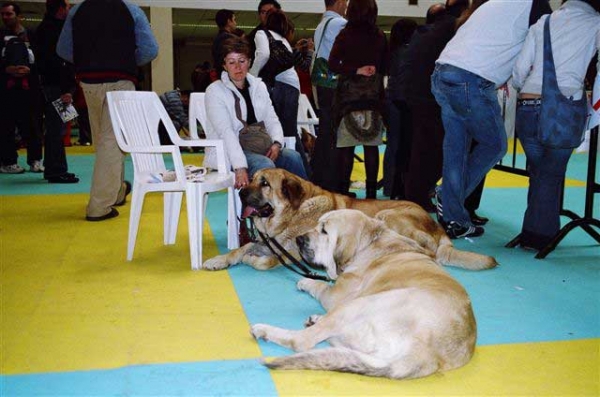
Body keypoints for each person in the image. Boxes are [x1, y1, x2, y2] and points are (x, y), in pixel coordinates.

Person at [430, 0, 548, 238]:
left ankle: (454, 218)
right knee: (495, 144)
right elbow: (544, 43)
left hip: (443, 73)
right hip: (470, 79)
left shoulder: (495, 4)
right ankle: (448, 196)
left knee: (456, 149)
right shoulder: (534, 5)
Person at [57, 0, 158, 221]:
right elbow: (150, 49)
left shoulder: (77, 10)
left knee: (104, 139)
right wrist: (128, 61)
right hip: (121, 80)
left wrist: (89, 60)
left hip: (89, 81)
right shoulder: (131, 10)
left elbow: (63, 50)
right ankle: (99, 206)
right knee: (112, 141)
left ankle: (118, 190)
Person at [511, 0, 600, 251]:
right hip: (563, 108)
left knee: (539, 173)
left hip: (527, 107)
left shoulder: (543, 22)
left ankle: (534, 230)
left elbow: (519, 69)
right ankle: (537, 237)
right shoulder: (595, 24)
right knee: (550, 175)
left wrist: (523, 86)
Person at [204, 36, 307, 189]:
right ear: (224, 65)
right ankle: (261, 211)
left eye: (242, 61)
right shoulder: (214, 91)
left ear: (250, 62)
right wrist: (239, 166)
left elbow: (271, 118)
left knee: (293, 157)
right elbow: (226, 132)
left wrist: (277, 143)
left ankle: (305, 204)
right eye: (232, 62)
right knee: (264, 165)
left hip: (259, 144)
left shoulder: (259, 86)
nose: (238, 67)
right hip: (229, 150)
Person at [395, 0, 468, 210]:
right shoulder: (454, 30)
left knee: (420, 149)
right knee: (444, 150)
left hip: (416, 96)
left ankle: (415, 195)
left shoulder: (425, 32)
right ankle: (445, 199)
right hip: (435, 97)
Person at [328, 0, 388, 199]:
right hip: (373, 98)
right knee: (371, 148)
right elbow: (386, 65)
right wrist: (372, 69)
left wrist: (355, 70)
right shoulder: (379, 35)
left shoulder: (345, 34)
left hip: (349, 100)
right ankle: (371, 194)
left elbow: (333, 64)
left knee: (347, 147)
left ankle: (344, 193)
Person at [250, 10, 311, 177]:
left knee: (276, 130)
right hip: (292, 85)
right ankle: (302, 176)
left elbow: (263, 54)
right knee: (290, 133)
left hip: (280, 86)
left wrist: (251, 76)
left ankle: (291, 176)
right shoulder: (283, 39)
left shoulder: (262, 33)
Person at [33, 0, 79, 184]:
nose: (69, 9)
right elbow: (58, 64)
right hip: (56, 87)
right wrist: (65, 89)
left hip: (53, 85)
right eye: (67, 6)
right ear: (60, 9)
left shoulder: (47, 29)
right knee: (56, 129)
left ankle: (56, 168)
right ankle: (56, 170)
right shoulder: (53, 31)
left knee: (57, 128)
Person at [0, 1, 44, 174]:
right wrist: (7, 69)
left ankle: (35, 160)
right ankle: (8, 161)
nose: (5, 17)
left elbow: (41, 58)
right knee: (6, 126)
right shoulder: (0, 36)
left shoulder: (31, 35)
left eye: (9, 14)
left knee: (32, 125)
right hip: (6, 88)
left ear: (18, 16)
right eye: (3, 14)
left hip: (29, 88)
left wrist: (30, 70)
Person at [310, 0, 347, 194]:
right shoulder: (340, 23)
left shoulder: (321, 25)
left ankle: (319, 177)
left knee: (325, 132)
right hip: (334, 84)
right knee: (334, 134)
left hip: (322, 83)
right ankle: (333, 182)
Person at [383, 18, 417, 198]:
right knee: (402, 145)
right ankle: (397, 186)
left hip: (391, 100)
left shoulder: (394, 51)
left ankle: (389, 185)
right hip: (402, 102)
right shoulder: (408, 51)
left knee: (393, 145)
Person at [211, 9, 237, 77]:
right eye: (234, 20)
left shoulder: (217, 38)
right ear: (229, 21)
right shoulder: (229, 39)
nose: (235, 23)